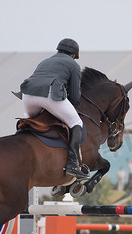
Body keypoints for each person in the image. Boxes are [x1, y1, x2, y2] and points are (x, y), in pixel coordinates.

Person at [18, 38, 87, 179]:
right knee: (76, 122)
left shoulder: (45, 61)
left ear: (58, 50)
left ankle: (19, 147)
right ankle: (72, 165)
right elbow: (74, 96)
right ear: (73, 55)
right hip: (49, 94)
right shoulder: (73, 65)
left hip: (27, 95)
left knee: (32, 121)